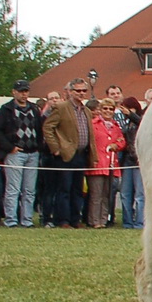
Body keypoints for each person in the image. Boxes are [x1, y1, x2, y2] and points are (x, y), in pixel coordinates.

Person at [43, 78, 93, 227]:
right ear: (70, 92)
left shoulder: (87, 111)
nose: (81, 93)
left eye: (84, 90)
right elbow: (48, 127)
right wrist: (56, 149)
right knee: (64, 189)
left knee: (78, 190)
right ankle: (63, 220)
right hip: (65, 155)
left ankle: (75, 219)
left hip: (81, 154)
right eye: (78, 91)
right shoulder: (61, 107)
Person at [0, 81, 43, 227]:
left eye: (26, 91)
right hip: (15, 153)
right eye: (21, 91)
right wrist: (9, 147)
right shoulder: (6, 109)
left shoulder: (34, 109)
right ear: (14, 92)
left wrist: (39, 147)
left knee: (29, 189)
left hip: (32, 153)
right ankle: (11, 219)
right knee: (13, 189)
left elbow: (39, 130)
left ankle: (27, 220)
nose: (24, 94)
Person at [85, 100, 125, 227]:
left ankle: (103, 220)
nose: (108, 111)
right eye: (105, 109)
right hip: (97, 164)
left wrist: (116, 145)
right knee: (96, 195)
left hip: (111, 164)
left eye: (110, 109)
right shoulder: (93, 124)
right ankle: (94, 220)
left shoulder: (116, 126)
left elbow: (122, 141)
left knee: (107, 195)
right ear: (100, 110)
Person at [118, 96, 146, 228]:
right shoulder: (125, 123)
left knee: (139, 195)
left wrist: (132, 115)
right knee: (125, 193)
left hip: (138, 161)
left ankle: (139, 222)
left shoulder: (140, 118)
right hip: (127, 161)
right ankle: (127, 221)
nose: (127, 111)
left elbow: (143, 124)